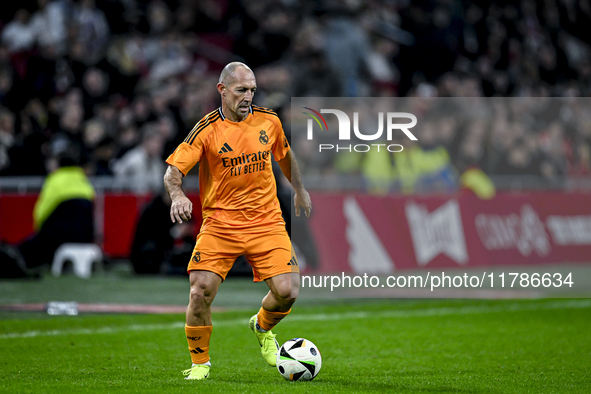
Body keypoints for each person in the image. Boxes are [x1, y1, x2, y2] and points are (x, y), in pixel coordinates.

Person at [164, 62, 312, 381]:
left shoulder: (269, 121)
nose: (248, 96)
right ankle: (200, 363)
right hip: (221, 223)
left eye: (252, 90)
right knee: (200, 290)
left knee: (288, 291)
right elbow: (173, 172)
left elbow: (285, 156)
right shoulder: (206, 129)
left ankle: (261, 326)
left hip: (266, 221)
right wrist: (177, 196)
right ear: (222, 90)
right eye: (241, 90)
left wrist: (299, 190)